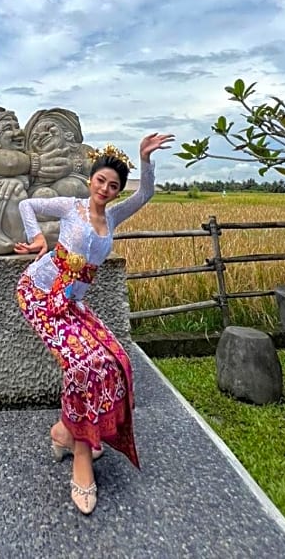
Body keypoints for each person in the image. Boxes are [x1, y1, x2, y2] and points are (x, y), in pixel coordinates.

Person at [14, 132, 174, 515]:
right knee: (82, 366)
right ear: (91, 180)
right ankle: (82, 457)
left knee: (114, 360)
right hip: (40, 294)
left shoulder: (114, 216)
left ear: (117, 191)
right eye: (101, 180)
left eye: (113, 185)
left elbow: (146, 194)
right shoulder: (71, 207)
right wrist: (37, 239)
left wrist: (145, 159)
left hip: (73, 305)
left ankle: (65, 432)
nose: (105, 189)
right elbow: (26, 204)